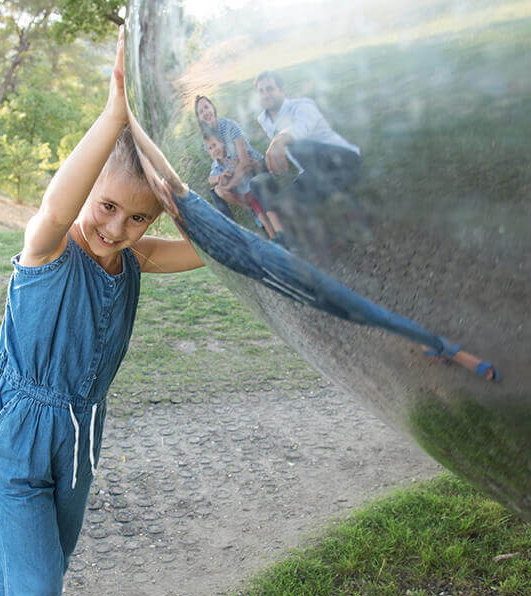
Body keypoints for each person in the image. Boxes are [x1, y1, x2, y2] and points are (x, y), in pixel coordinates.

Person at [0, 30, 205, 596]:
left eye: (138, 218)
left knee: (42, 567)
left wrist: (244, 218)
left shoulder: (135, 258)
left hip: (81, 435)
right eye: (107, 206)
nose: (116, 228)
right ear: (87, 191)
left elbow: (205, 248)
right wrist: (114, 114)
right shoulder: (49, 248)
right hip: (19, 432)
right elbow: (55, 208)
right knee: (40, 585)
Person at [125, 91, 498, 383]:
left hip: (279, 264)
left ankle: (451, 351)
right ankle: (436, 346)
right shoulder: (195, 222)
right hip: (277, 279)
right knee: (358, 313)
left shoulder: (195, 202)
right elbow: (179, 210)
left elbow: (170, 177)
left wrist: (124, 118)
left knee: (366, 311)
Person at [250, 70, 362, 243]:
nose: (265, 95)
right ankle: (292, 239)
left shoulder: (302, 106)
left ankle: (347, 208)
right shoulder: (264, 119)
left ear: (282, 90)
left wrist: (280, 141)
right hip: (311, 174)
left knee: (297, 145)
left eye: (270, 89)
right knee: (260, 184)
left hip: (343, 163)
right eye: (261, 91)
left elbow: (300, 130)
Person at [193, 94, 268, 227]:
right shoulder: (207, 138)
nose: (205, 112)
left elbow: (245, 161)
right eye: (201, 111)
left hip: (252, 165)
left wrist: (229, 185)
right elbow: (216, 163)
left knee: (246, 166)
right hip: (234, 170)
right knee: (217, 190)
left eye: (206, 107)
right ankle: (252, 208)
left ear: (213, 108)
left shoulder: (229, 126)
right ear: (199, 118)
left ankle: (259, 205)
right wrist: (218, 178)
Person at [202, 133, 270, 233]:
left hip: (252, 189)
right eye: (210, 148)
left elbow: (248, 163)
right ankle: (248, 207)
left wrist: (238, 163)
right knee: (217, 190)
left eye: (215, 145)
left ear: (221, 142)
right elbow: (210, 179)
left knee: (264, 219)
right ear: (209, 153)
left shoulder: (233, 155)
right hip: (242, 195)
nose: (214, 149)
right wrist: (219, 177)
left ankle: (275, 239)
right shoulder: (216, 166)